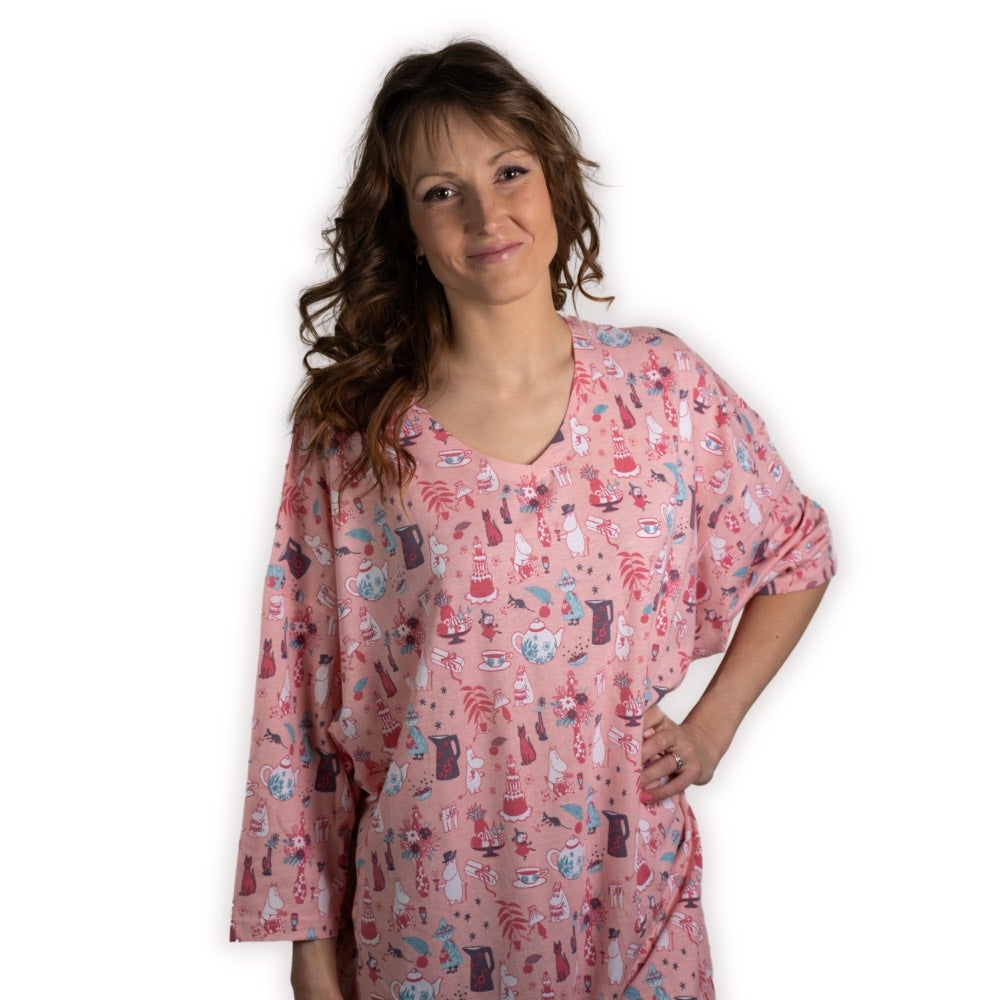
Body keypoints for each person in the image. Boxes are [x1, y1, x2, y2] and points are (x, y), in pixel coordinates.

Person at [230, 40, 835, 1000]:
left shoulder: (663, 388)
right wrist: (308, 945)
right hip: (425, 916)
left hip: (632, 898)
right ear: (407, 228)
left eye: (509, 171)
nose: (486, 215)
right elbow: (298, 697)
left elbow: (795, 551)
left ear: (553, 179)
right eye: (442, 192)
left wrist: (712, 728)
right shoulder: (354, 433)